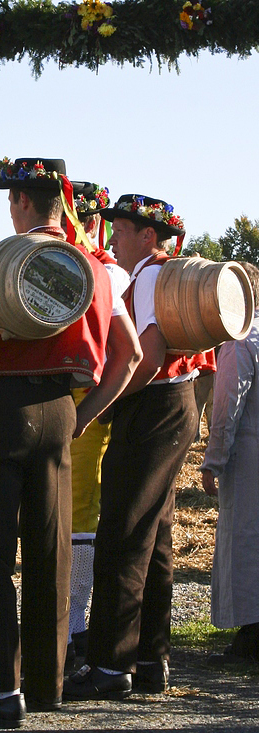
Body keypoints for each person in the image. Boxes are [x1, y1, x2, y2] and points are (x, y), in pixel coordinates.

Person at [0, 158, 142, 727]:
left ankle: (1, 690)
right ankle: (47, 685)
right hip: (58, 412)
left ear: (23, 202)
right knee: (51, 552)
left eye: (10, 199)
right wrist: (83, 415)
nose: (9, 208)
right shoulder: (97, 270)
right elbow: (131, 357)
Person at [64, 194, 217, 701]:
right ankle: (151, 660)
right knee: (155, 536)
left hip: (152, 408)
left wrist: (103, 405)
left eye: (121, 231)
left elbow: (146, 358)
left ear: (147, 236)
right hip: (174, 407)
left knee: (123, 534)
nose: (111, 240)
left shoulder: (150, 275)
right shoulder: (160, 273)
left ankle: (110, 667)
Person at [63, 185, 131, 668]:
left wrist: (89, 413)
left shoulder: (107, 272)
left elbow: (127, 354)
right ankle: (65, 625)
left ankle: (74, 626)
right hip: (69, 402)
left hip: (77, 402)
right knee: (69, 511)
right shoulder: (101, 271)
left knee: (79, 511)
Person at [200, 262, 259, 664]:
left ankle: (252, 637)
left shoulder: (242, 341)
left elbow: (227, 405)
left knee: (246, 538)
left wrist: (214, 459)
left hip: (250, 454)